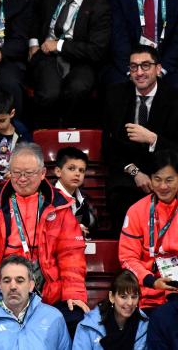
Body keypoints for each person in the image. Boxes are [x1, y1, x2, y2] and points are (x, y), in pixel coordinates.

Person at [0, 142, 89, 333]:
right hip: (0, 289)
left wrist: (74, 292)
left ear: (43, 173)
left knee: (76, 318)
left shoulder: (59, 206)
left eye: (29, 173)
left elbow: (72, 256)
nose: (22, 179)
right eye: (16, 172)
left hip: (46, 291)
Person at [28, 0, 111, 127]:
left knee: (78, 89)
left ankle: (68, 132)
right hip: (46, 55)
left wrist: (59, 45)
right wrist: (34, 43)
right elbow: (34, 13)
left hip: (81, 60)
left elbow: (96, 50)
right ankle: (43, 135)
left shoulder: (99, 7)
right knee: (50, 93)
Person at [103, 45, 178, 232]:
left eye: (145, 66)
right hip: (129, 174)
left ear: (158, 69)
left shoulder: (174, 98)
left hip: (166, 172)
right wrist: (135, 172)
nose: (139, 72)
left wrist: (153, 139)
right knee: (118, 195)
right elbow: (109, 147)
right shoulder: (115, 95)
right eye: (134, 67)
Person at [0, 255, 71, 350]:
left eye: (20, 280)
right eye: (7, 280)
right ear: (0, 285)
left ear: (31, 285)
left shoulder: (53, 318)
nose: (13, 286)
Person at [119, 149, 178, 312]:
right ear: (150, 179)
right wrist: (150, 280)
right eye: (157, 179)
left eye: (169, 180)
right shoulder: (136, 211)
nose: (163, 186)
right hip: (144, 291)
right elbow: (127, 258)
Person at [73, 270, 148, 350]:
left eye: (134, 297)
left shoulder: (143, 325)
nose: (130, 303)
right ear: (111, 297)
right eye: (123, 297)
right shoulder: (89, 325)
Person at [54, 147, 96, 237]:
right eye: (71, 169)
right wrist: (73, 229)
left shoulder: (84, 199)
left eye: (81, 170)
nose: (77, 174)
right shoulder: (47, 197)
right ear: (58, 171)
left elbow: (88, 228)